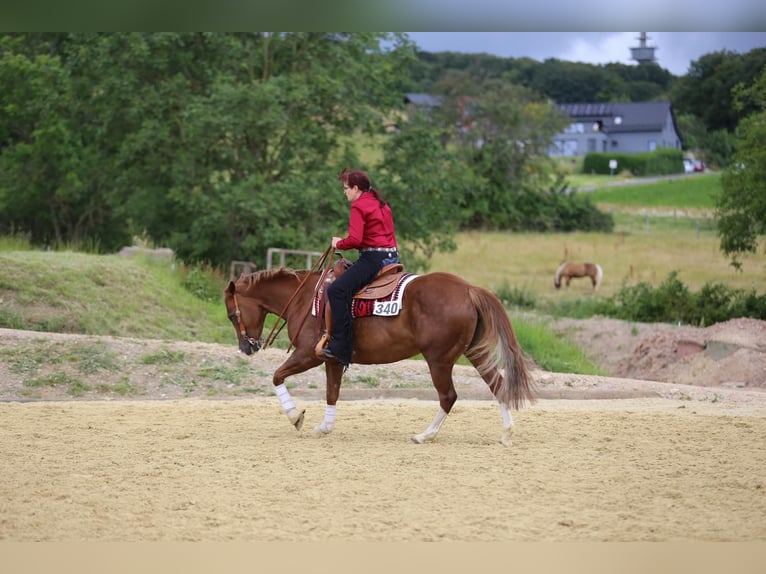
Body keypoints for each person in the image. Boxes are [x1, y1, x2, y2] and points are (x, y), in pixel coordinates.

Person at [322, 169, 399, 368]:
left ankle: (341, 347)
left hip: (373, 259)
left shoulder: (359, 206)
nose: (344, 192)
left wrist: (339, 244)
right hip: (392, 257)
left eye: (346, 188)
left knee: (337, 291)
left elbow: (355, 239)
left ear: (356, 188)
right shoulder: (381, 203)